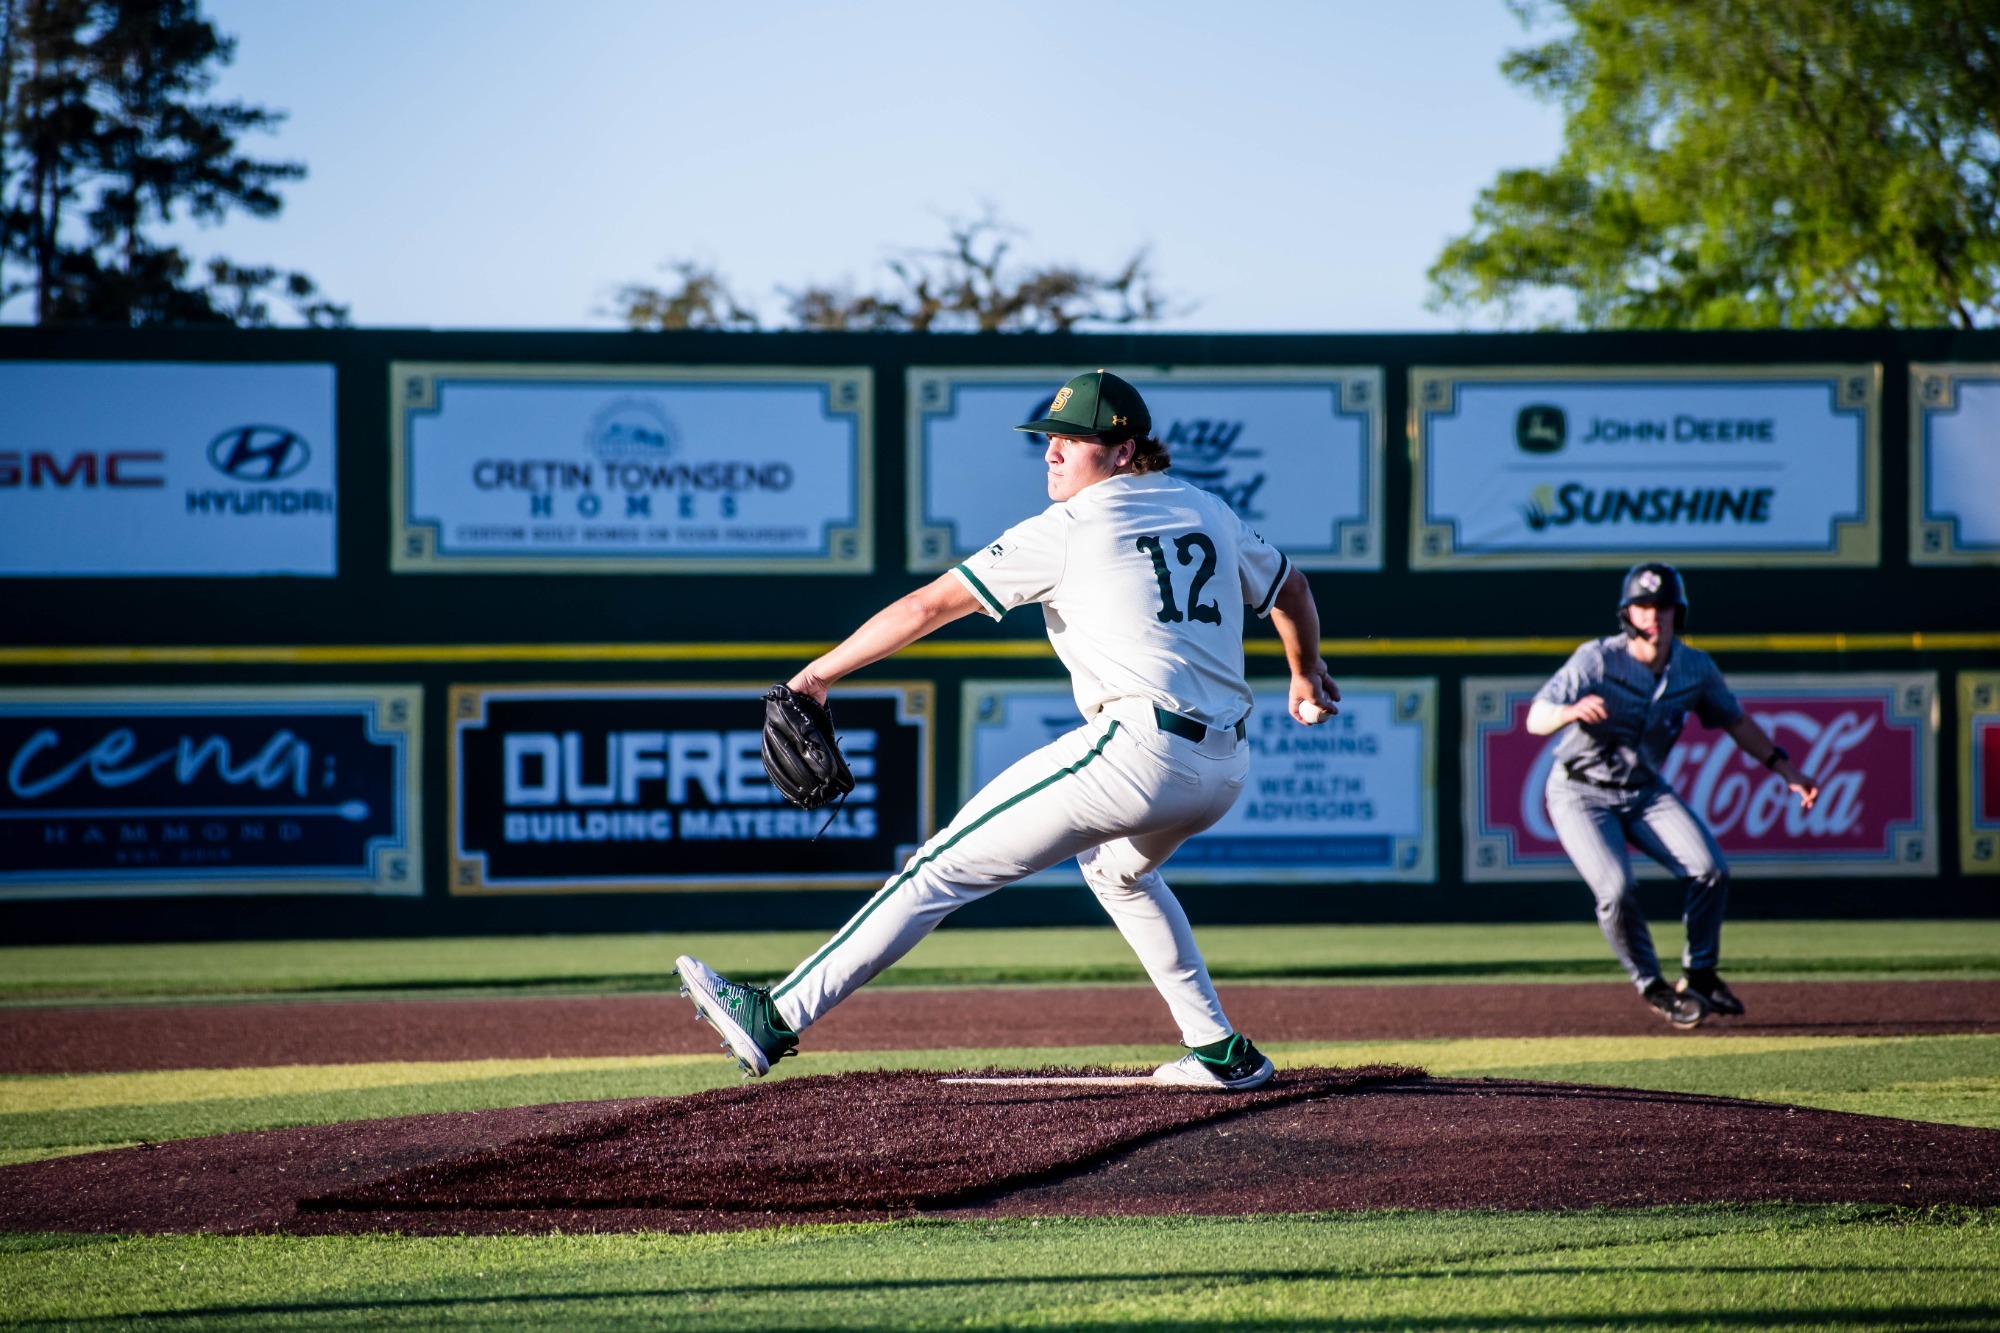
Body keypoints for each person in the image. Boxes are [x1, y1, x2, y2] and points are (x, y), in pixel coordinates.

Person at [677, 369, 1340, 1090]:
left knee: (938, 868)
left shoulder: (1072, 527)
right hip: (1224, 769)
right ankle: (1218, 1048)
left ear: (1123, 450)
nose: (1052, 453)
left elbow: (929, 606)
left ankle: (774, 1014)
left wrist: (815, 676)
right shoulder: (1206, 508)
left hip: (1140, 753)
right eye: (1048, 439)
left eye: (1071, 439)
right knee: (1119, 871)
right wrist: (1304, 675)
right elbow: (1292, 588)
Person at [1527, 563, 1819, 1028]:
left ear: (1676, 612)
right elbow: (1536, 717)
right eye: (1643, 606)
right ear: (1627, 612)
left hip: (1644, 790)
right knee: (1617, 890)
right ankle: (1653, 986)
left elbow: (1736, 722)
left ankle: (1700, 974)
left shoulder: (1694, 667)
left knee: (1710, 871)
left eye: (1663, 606)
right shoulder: (1597, 658)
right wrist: (1568, 711)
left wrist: (1784, 768)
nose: (1653, 616)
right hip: (1580, 791)